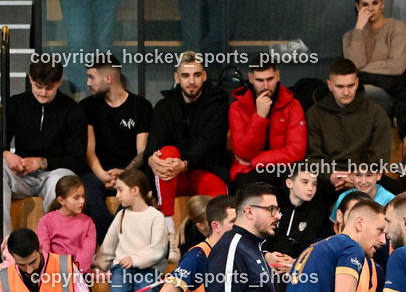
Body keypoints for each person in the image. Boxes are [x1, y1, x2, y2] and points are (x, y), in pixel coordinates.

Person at [145, 52, 230, 264]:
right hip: (173, 175)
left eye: (196, 75)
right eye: (185, 76)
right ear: (176, 77)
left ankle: (217, 249)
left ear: (204, 76)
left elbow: (211, 141)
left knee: (220, 198)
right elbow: (153, 145)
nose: (191, 81)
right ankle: (170, 233)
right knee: (165, 154)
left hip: (204, 169)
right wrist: (151, 159)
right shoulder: (164, 106)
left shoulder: (218, 103)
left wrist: (186, 163)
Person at [92, 170, 167, 292]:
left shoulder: (155, 217)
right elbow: (108, 246)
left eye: (120, 190)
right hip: (122, 268)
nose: (117, 195)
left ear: (135, 190)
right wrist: (99, 264)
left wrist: (135, 259)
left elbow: (158, 249)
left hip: (148, 268)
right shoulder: (122, 216)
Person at [4, 60, 84, 239]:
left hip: (53, 173)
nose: (43, 93)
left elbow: (77, 160)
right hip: (21, 174)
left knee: (63, 178)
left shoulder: (73, 110)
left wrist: (41, 162)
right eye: (38, 86)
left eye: (49, 88)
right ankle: (4, 246)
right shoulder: (16, 104)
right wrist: (6, 153)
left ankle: (54, 247)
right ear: (30, 79)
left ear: (59, 82)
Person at [80, 54, 152, 240]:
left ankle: (117, 240)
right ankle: (108, 242)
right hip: (97, 172)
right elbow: (88, 149)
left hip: (130, 170)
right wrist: (103, 174)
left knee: (141, 181)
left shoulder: (141, 106)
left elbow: (142, 150)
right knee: (88, 188)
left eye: (91, 77)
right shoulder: (87, 106)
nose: (88, 82)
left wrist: (125, 174)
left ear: (108, 78)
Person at [306, 58, 392, 198]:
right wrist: (331, 175)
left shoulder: (376, 113)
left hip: (365, 177)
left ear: (357, 83)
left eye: (350, 85)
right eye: (340, 86)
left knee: (396, 192)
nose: (346, 92)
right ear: (329, 85)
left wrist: (358, 177)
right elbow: (312, 157)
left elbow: (381, 156)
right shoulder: (315, 114)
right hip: (330, 178)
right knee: (310, 196)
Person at [342, 0, 406, 139]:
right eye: (365, 5)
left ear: (383, 4)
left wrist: (363, 69)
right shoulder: (349, 37)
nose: (371, 8)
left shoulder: (397, 28)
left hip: (391, 92)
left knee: (356, 94)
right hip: (360, 93)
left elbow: (397, 66)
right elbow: (354, 67)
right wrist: (359, 29)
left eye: (375, 3)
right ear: (357, 7)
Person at [228, 63, 307, 189]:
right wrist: (259, 117)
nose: (266, 86)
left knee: (293, 184)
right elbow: (243, 153)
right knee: (247, 188)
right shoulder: (237, 108)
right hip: (248, 173)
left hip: (281, 168)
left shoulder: (293, 105)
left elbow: (296, 152)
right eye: (260, 80)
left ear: (277, 75)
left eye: (270, 79)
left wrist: (254, 161)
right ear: (251, 78)